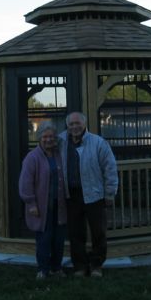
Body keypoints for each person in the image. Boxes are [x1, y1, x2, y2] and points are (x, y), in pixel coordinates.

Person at [59, 111, 118, 278]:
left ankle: (96, 265)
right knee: (76, 233)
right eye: (71, 124)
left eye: (77, 124)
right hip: (72, 196)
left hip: (95, 194)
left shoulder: (98, 143)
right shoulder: (60, 141)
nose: (74, 127)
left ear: (84, 124)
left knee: (98, 233)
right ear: (67, 126)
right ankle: (80, 266)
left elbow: (110, 168)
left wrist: (110, 192)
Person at [19, 121, 67, 280]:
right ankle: (43, 269)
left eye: (52, 136)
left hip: (59, 206)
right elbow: (25, 183)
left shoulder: (59, 154)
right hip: (41, 207)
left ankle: (57, 267)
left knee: (58, 240)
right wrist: (31, 203)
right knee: (44, 240)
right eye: (45, 136)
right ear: (39, 138)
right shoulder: (32, 158)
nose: (48, 140)